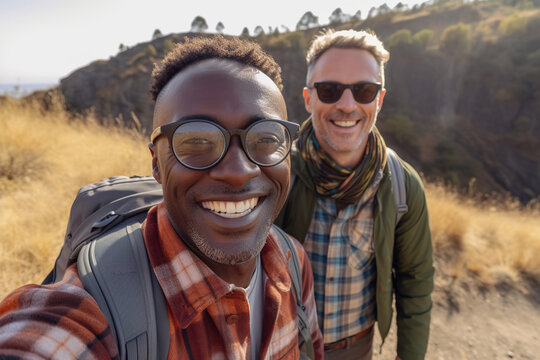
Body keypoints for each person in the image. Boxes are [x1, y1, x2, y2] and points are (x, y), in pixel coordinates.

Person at [0, 35, 324, 359]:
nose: (238, 171)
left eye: (266, 138)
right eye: (196, 141)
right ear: (156, 162)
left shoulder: (292, 260)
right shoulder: (98, 308)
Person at [274, 29, 434, 360]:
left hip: (355, 350)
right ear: (308, 99)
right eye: (329, 90)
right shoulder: (275, 172)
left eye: (363, 90)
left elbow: (415, 282)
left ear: (379, 99)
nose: (347, 106)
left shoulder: (403, 185)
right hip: (277, 343)